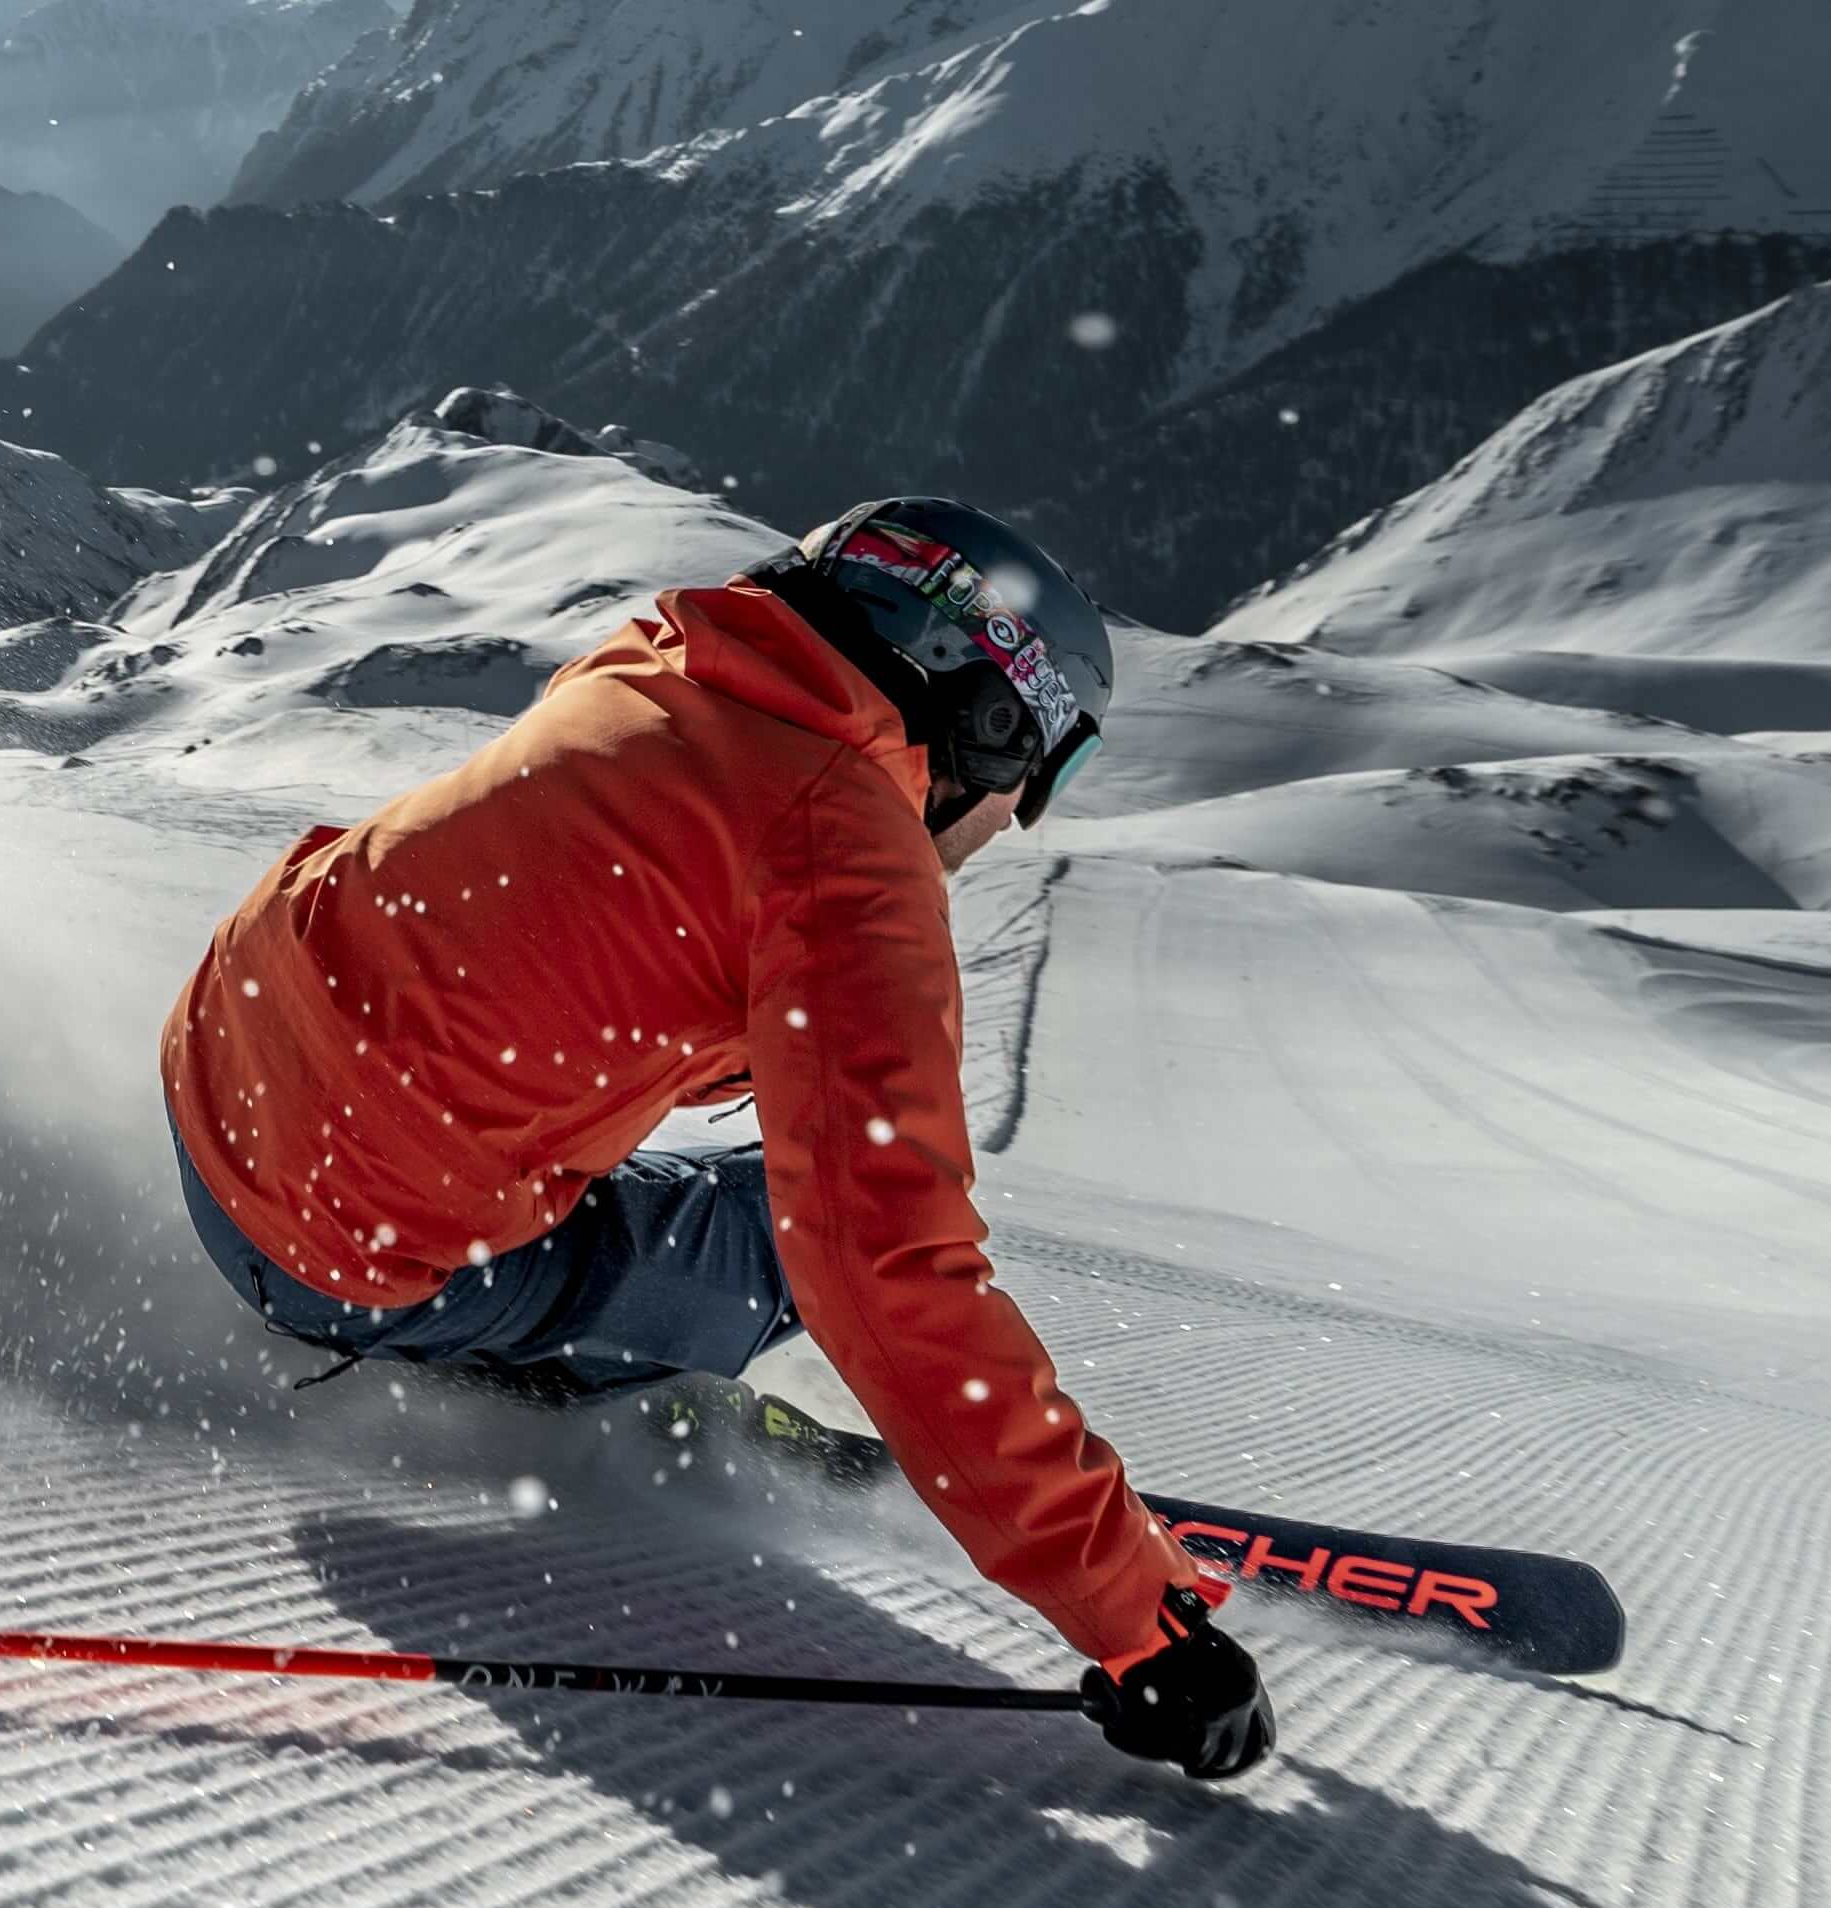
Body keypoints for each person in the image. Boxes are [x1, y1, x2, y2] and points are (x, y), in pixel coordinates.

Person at [161, 493, 1272, 1782]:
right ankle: (559, 1373)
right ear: (990, 723)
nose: (1022, 817)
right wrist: (1138, 1620)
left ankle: (546, 1299)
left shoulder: (666, 658)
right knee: (787, 1240)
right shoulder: (848, 865)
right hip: (334, 1253)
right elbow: (884, 1272)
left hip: (221, 1076)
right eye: (1045, 777)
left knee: (692, 1175)